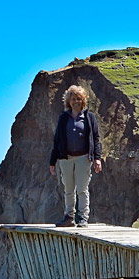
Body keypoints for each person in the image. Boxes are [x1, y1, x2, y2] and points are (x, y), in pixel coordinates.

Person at [48, 84, 103, 227]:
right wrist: (52, 161)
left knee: (82, 190)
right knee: (68, 189)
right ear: (68, 101)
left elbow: (96, 138)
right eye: (73, 99)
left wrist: (97, 158)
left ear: (83, 100)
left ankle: (83, 218)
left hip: (83, 158)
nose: (76, 101)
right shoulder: (63, 118)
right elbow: (57, 140)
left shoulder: (89, 117)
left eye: (78, 98)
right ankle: (69, 217)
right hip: (65, 158)